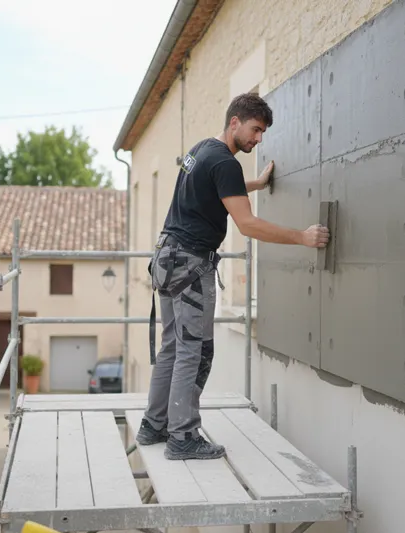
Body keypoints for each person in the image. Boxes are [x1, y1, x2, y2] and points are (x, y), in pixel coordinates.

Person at [136, 93, 329, 460]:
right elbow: (247, 224)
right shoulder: (225, 163)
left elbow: (216, 189)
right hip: (190, 264)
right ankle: (182, 437)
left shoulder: (202, 150)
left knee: (173, 347)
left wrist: (253, 184)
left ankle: (153, 425)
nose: (258, 139)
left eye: (263, 133)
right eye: (255, 129)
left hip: (166, 258)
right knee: (195, 351)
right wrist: (302, 237)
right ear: (235, 122)